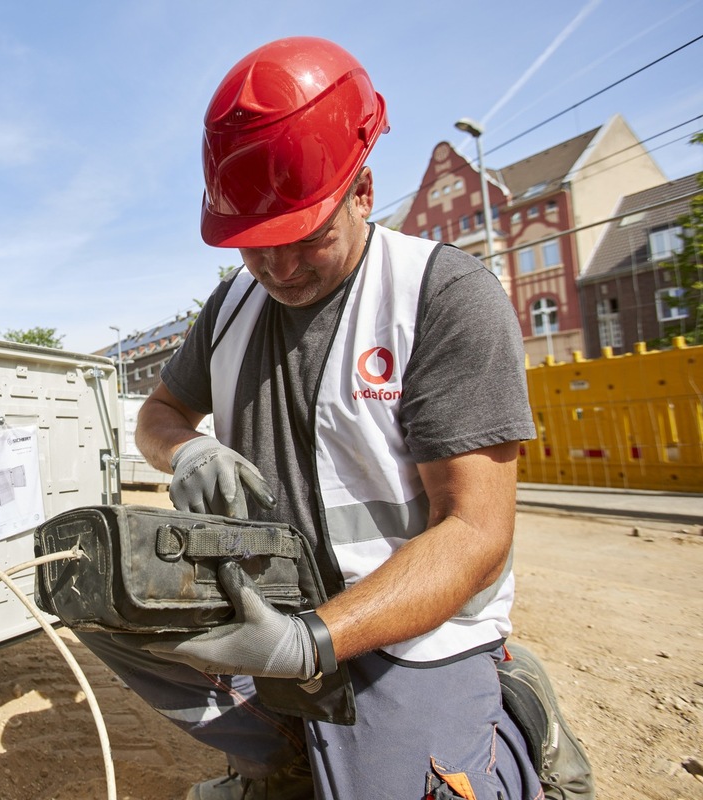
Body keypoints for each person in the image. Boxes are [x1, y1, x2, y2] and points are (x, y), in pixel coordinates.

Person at [76, 37, 593, 799]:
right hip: (277, 601)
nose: (280, 270)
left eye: (304, 238)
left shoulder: (442, 297)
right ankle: (289, 751)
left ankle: (510, 728)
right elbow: (159, 410)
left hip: (412, 632)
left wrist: (310, 641)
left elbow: (477, 533)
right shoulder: (231, 309)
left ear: (362, 191)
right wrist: (186, 450)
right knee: (96, 595)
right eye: (257, 246)